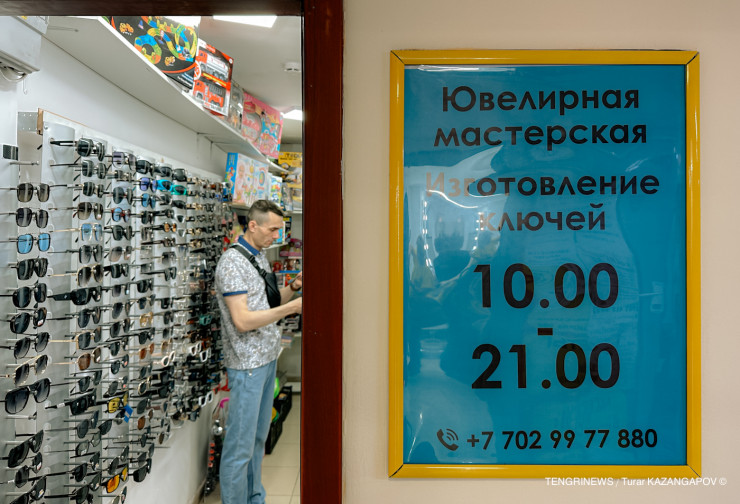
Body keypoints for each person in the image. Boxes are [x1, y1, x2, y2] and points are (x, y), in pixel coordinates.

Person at [215, 199, 303, 504]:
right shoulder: (232, 263)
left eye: (280, 230)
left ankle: (254, 498)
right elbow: (242, 320)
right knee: (239, 446)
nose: (277, 236)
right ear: (253, 225)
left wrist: (293, 287)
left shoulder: (259, 257)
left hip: (267, 360)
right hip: (247, 366)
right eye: (272, 229)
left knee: (256, 440)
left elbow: (268, 305)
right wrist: (292, 308)